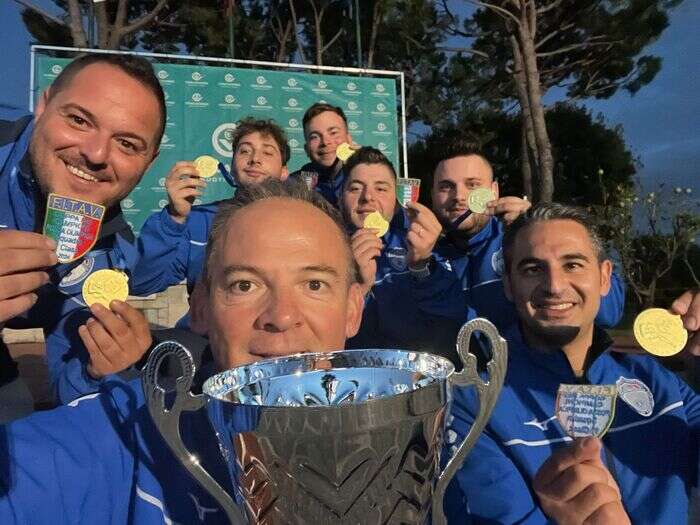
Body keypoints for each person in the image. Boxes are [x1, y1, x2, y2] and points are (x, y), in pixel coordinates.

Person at [0, 180, 364, 524]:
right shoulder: (131, 433)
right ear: (201, 308)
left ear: (352, 310)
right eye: (245, 284)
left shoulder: (415, 447)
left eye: (314, 284)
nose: (281, 316)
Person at [445, 203, 700, 524]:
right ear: (508, 285)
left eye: (574, 264)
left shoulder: (656, 380)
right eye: (532, 269)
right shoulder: (476, 405)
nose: (554, 286)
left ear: (605, 277)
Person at [0, 53, 165, 407]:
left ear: (149, 162)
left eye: (127, 144)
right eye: (78, 120)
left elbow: (65, 381)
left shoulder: (112, 255)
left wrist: (100, 369)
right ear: (43, 105)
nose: (96, 153)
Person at [430, 143, 625, 331]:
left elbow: (610, 314)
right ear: (432, 195)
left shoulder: (521, 238)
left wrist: (540, 234)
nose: (459, 196)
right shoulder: (425, 258)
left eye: (472, 184)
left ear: (494, 191)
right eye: (446, 187)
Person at [130, 118, 291, 307]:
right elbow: (142, 283)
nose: (254, 159)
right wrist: (173, 218)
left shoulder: (302, 223)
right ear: (231, 167)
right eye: (244, 151)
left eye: (267, 153)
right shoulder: (200, 221)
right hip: (207, 335)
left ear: (284, 172)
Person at [339, 147, 467, 355]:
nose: (367, 197)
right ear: (341, 196)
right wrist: (358, 288)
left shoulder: (419, 244)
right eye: (355, 188)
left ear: (395, 200)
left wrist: (422, 268)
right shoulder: (323, 253)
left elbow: (452, 323)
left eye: (381, 189)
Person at [290, 102, 354, 207]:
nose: (325, 142)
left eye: (333, 133)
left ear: (349, 139)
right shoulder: (295, 184)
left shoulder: (369, 176)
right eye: (315, 136)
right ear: (306, 149)